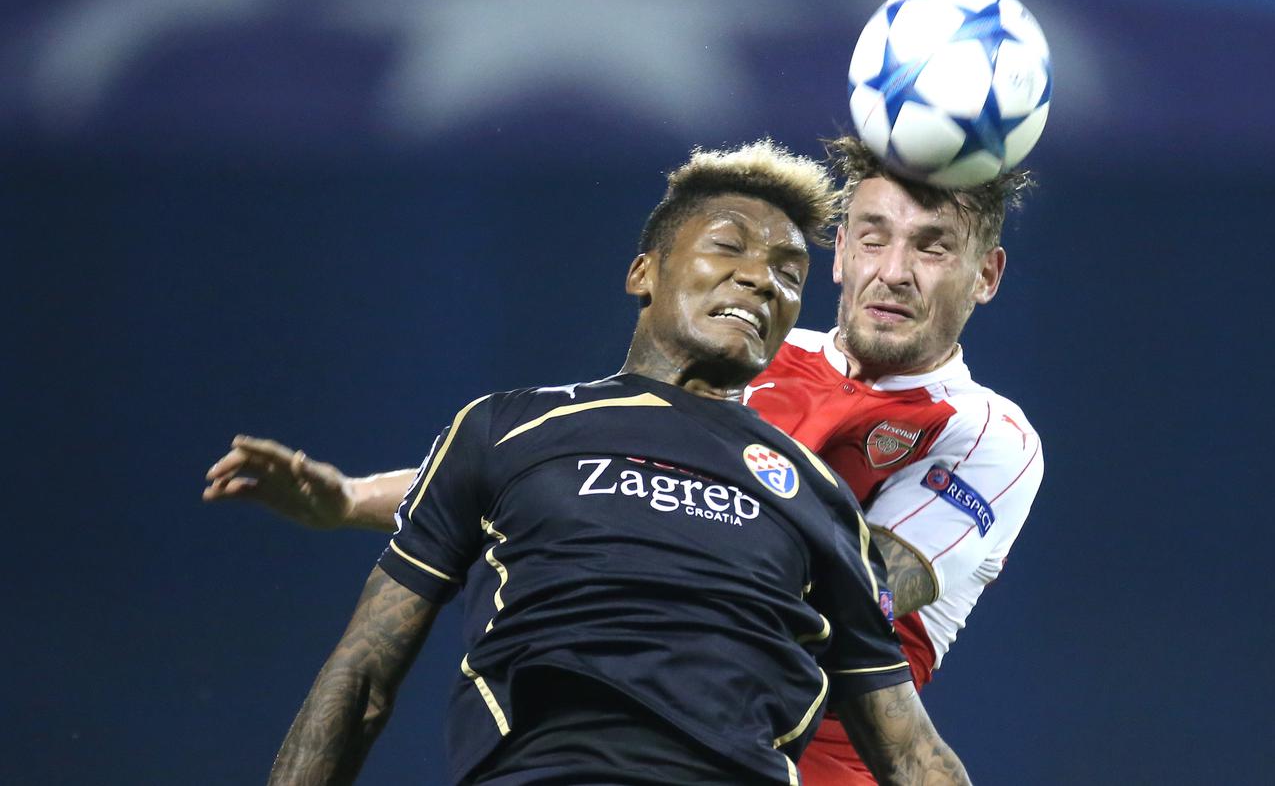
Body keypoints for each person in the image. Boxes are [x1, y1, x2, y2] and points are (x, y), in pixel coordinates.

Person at [209, 136, 1040, 785]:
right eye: (873, 236)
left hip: (811, 759)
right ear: (841, 252)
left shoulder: (986, 433)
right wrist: (355, 498)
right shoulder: (749, 355)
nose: (893, 272)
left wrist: (613, 549)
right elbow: (559, 460)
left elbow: (866, 583)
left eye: (932, 248)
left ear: (986, 274)